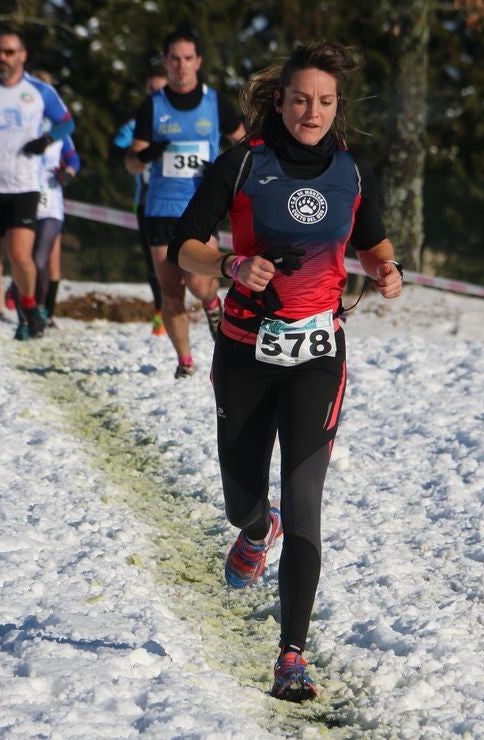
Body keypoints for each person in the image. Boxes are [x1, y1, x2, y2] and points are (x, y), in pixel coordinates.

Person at [169, 42, 403, 702]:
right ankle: (253, 529)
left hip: (317, 359)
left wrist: (387, 272)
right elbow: (183, 244)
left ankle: (291, 657)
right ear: (281, 99)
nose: (313, 112)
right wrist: (229, 267)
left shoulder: (352, 175)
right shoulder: (244, 164)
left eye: (326, 102)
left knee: (307, 506)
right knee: (244, 501)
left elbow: (375, 245)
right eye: (301, 98)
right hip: (245, 351)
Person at [127, 29, 246, 377]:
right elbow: (131, 162)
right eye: (174, 59)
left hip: (201, 209)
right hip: (160, 208)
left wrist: (224, 168)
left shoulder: (215, 103)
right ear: (166, 62)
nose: (181, 66)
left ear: (198, 62)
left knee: (198, 281)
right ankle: (185, 361)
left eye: (188, 59)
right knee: (171, 289)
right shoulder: (153, 106)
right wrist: (147, 154)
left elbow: (244, 144)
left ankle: (211, 303)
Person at [0, 29, 75, 338]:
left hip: (24, 185)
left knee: (20, 256)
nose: (2, 58)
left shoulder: (39, 91)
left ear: (23, 55)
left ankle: (30, 305)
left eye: (9, 52)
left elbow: (67, 123)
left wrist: (46, 139)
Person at [112, 65, 168, 336]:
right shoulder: (138, 123)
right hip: (146, 199)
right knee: (153, 260)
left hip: (181, 198)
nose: (156, 94)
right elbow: (117, 148)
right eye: (151, 90)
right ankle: (161, 312)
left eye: (161, 89)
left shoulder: (181, 119)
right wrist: (139, 151)